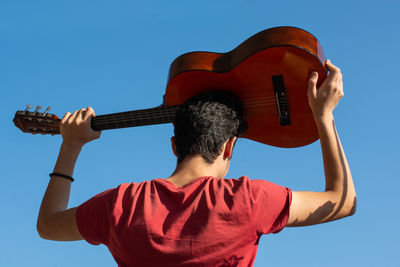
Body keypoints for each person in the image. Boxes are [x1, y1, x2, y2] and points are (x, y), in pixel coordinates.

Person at [37, 60, 356, 266]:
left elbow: (48, 224)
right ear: (229, 147)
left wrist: (71, 145)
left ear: (175, 145)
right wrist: (323, 117)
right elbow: (341, 201)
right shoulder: (248, 200)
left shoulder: (121, 205)